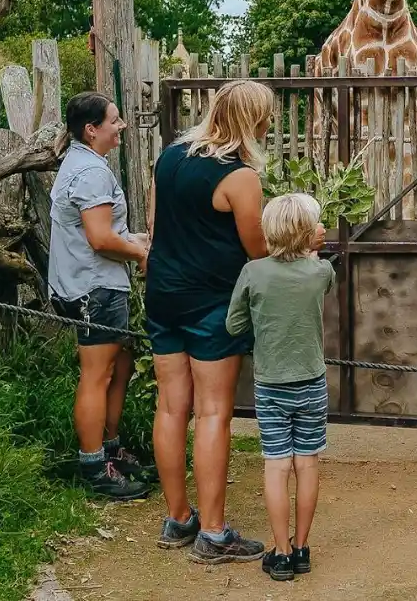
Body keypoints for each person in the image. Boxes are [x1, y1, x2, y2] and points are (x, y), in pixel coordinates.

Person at [145, 79, 275, 563]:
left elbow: (154, 227)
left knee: (170, 407)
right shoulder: (241, 177)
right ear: (251, 120)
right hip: (212, 304)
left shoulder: (168, 158)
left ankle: (178, 518)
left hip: (163, 296)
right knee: (213, 413)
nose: (269, 124)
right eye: (266, 116)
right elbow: (256, 248)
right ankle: (214, 533)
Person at [48, 92, 151, 501]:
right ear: (91, 130)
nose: (121, 125)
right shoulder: (91, 172)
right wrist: (140, 252)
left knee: (118, 367)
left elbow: (102, 233)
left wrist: (133, 239)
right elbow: (100, 239)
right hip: (94, 288)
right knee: (97, 375)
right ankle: (94, 465)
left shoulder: (83, 163)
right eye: (114, 120)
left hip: (93, 282)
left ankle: (111, 449)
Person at [226, 192, 332, 583]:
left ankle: (281, 553)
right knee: (307, 463)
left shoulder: (253, 272)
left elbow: (234, 325)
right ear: (306, 232)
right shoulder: (321, 272)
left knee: (277, 465)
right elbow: (319, 277)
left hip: (271, 385)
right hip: (312, 382)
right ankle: (302, 548)